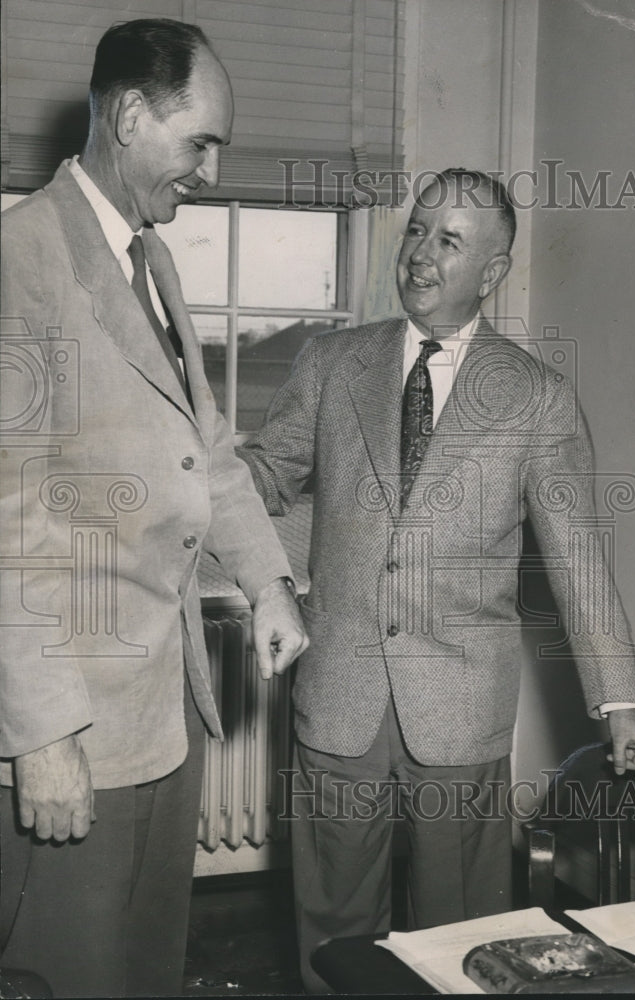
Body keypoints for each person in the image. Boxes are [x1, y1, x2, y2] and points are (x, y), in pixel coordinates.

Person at [239, 168, 635, 992]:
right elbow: (264, 475)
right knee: (332, 926)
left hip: (461, 706)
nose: (420, 256)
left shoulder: (536, 397)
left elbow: (578, 555)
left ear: (494, 272)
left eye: (449, 241)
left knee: (464, 931)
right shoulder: (334, 363)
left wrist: (621, 702)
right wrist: (198, 487)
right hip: (339, 691)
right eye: (415, 231)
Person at [0, 18, 307, 998]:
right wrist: (41, 737)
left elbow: (203, 448)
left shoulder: (150, 257)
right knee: (69, 976)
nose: (211, 170)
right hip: (73, 725)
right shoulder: (22, 259)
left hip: (163, 716)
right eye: (199, 142)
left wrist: (266, 582)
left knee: (143, 975)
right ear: (130, 115)